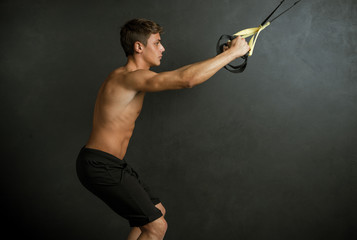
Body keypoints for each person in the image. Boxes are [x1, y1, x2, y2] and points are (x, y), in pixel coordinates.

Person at [76, 18, 250, 240]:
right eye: (157, 43)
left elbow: (185, 73)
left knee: (156, 213)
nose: (163, 48)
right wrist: (232, 54)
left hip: (109, 164)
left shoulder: (126, 76)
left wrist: (222, 56)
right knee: (157, 227)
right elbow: (186, 79)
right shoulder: (129, 78)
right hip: (100, 165)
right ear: (139, 47)